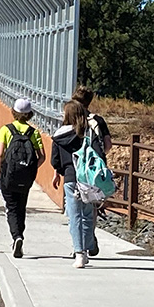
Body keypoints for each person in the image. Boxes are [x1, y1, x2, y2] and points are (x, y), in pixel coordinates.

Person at [51, 100, 98, 268]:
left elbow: (55, 160)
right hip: (88, 178)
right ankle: (84, 252)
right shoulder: (88, 133)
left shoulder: (58, 135)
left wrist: (58, 173)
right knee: (87, 215)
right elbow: (98, 154)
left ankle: (78, 253)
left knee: (74, 216)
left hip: (70, 178)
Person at [0, 98, 45, 258]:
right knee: (21, 206)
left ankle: (16, 236)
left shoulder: (6, 129)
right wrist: (29, 169)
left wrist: (0, 176)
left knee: (11, 207)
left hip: (8, 176)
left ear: (14, 112)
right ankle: (19, 236)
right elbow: (42, 157)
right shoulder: (34, 132)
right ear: (30, 114)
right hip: (25, 178)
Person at [71, 86, 112, 256]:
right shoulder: (98, 120)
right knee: (91, 206)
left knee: (75, 208)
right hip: (94, 169)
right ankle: (89, 238)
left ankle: (78, 245)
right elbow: (108, 145)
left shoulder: (71, 120)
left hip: (75, 167)